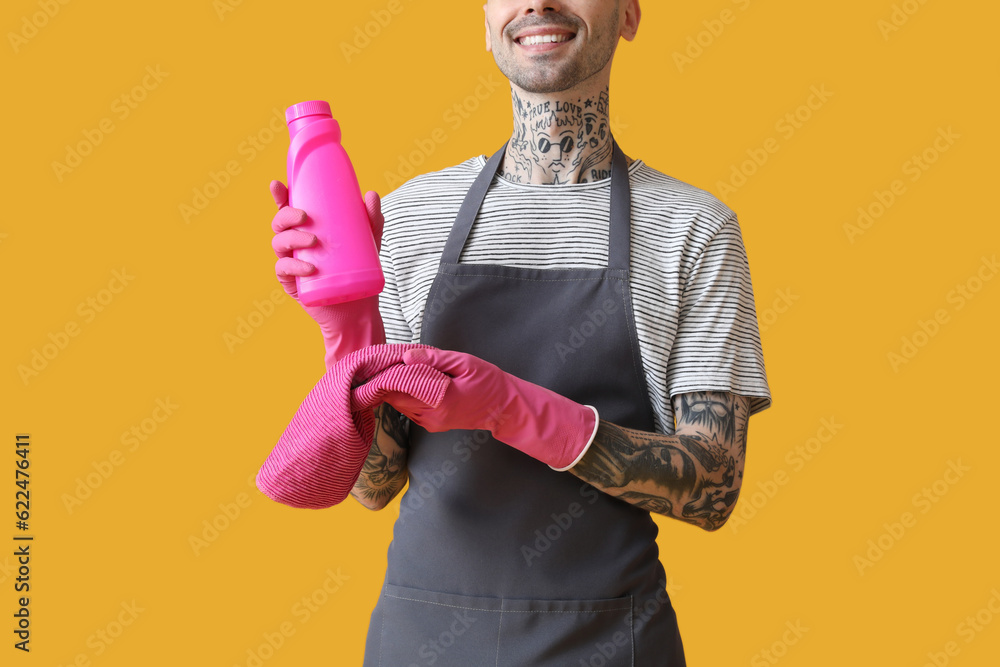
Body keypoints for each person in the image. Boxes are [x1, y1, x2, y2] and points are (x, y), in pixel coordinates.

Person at [269, 1, 772, 664]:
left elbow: (712, 489)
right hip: (424, 642)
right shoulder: (409, 218)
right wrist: (350, 340)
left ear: (628, 13)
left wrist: (515, 409)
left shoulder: (692, 231)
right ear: (485, 23)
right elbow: (373, 483)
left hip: (604, 641)